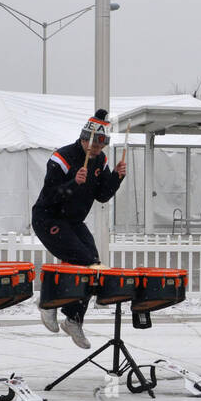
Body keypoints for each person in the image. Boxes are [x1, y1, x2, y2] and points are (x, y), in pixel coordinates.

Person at [32, 109, 127, 348]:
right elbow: (50, 195)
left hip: (73, 221)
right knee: (83, 260)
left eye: (100, 147)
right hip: (48, 218)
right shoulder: (61, 158)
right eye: (92, 144)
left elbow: (102, 196)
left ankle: (73, 318)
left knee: (93, 263)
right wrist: (74, 182)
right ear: (84, 138)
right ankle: (48, 303)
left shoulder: (100, 160)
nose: (95, 150)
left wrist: (116, 176)